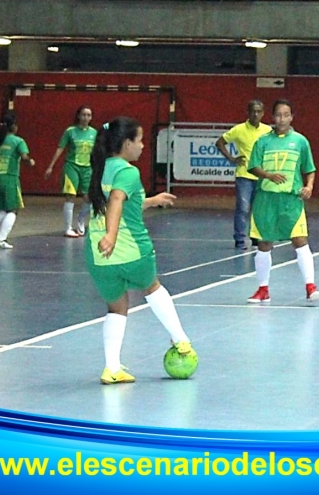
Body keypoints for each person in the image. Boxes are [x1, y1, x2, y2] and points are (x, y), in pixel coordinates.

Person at [86, 116, 194, 384]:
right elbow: (117, 199)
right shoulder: (128, 171)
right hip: (130, 248)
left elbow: (123, 202)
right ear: (126, 143)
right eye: (140, 140)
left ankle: (111, 368)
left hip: (97, 254)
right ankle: (181, 340)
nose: (143, 146)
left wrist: (151, 201)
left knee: (117, 305)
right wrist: (112, 235)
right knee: (153, 288)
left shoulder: (100, 168)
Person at [245, 99, 319, 303]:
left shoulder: (300, 141)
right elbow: (252, 167)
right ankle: (263, 290)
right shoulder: (262, 141)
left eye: (286, 115)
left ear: (292, 117)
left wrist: (309, 186)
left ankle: (310, 286)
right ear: (273, 117)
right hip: (266, 200)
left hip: (291, 200)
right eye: (278, 115)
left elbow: (310, 169)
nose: (282, 119)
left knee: (300, 240)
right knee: (264, 243)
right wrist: (269, 175)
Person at [215, 100, 272, 250]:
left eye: (259, 112)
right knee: (243, 208)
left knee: (259, 208)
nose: (256, 114)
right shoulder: (239, 130)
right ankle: (240, 239)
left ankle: (255, 237)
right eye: (253, 111)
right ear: (248, 113)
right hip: (244, 175)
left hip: (261, 176)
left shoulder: (267, 131)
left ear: (263, 114)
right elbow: (220, 142)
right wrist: (232, 158)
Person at [0, 112, 35, 249]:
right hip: (9, 178)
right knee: (13, 210)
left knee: (2, 209)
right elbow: (24, 156)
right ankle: (1, 239)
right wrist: (30, 161)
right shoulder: (18, 141)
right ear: (14, 126)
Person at [45, 105, 97, 238]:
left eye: (89, 115)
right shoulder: (70, 131)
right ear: (78, 116)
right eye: (84, 114)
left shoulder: (94, 133)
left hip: (87, 169)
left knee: (89, 198)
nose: (86, 117)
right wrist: (51, 166)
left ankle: (80, 219)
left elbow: (97, 152)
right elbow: (60, 148)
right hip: (72, 167)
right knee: (70, 195)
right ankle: (67, 228)